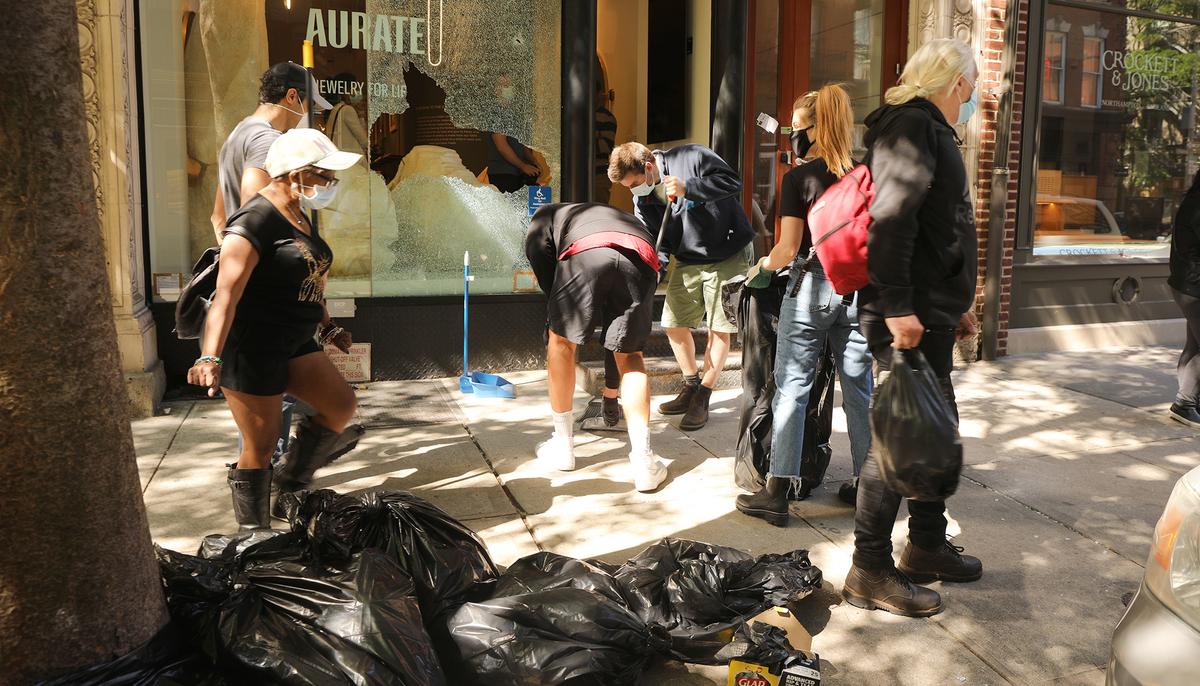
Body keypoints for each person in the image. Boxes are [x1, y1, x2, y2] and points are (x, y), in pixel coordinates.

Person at [842, 38, 983, 617]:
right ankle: (868, 567)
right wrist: (899, 305)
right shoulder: (912, 126)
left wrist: (956, 302)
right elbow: (892, 222)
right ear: (956, 83)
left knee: (932, 424)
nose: (974, 97)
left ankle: (924, 544)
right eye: (973, 87)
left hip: (930, 310)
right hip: (907, 313)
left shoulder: (926, 129)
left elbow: (936, 226)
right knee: (899, 435)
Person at [188, 128, 363, 530]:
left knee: (340, 404)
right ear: (294, 173)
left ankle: (289, 485)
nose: (330, 184)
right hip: (250, 345)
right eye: (324, 175)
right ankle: (253, 534)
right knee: (261, 446)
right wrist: (209, 356)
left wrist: (329, 326)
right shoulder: (255, 219)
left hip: (294, 338)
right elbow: (226, 295)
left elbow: (307, 279)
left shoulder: (299, 214)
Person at [735, 84, 873, 527]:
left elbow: (787, 248)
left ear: (813, 130)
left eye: (796, 128)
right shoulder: (865, 172)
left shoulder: (798, 180)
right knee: (860, 392)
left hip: (810, 289)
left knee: (792, 387)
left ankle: (777, 492)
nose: (791, 135)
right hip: (856, 291)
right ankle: (869, 489)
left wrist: (761, 262)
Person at [609, 141, 755, 430]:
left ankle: (703, 395)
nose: (634, 191)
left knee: (719, 327)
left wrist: (689, 187)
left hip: (728, 251)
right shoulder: (643, 198)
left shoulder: (692, 156)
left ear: (648, 167)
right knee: (673, 322)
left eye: (635, 183)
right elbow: (655, 239)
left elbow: (732, 181)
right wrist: (654, 269)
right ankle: (691, 384)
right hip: (689, 257)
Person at [525, 202, 669, 492]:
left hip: (584, 254)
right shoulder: (620, 216)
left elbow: (541, 257)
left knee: (560, 342)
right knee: (630, 356)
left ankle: (562, 446)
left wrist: (557, 315)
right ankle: (643, 464)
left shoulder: (545, 215)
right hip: (640, 256)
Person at [210, 61, 333, 242]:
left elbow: (218, 217)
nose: (307, 112)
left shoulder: (237, 134)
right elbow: (256, 219)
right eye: (309, 104)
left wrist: (230, 256)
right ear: (292, 96)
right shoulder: (267, 141)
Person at [1168, 171, 1200, 428]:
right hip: (1195, 285)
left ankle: (1189, 401)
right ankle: (1185, 403)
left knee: (1194, 345)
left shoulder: (1192, 200)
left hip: (1186, 285)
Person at [487, 75, 541, 193]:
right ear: (496, 89)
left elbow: (521, 143)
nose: (508, 89)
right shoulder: (497, 112)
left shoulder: (513, 112)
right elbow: (501, 145)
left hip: (518, 173)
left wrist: (532, 161)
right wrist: (523, 166)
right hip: (503, 173)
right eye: (504, 85)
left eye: (509, 85)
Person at [594, 79, 618, 204]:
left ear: (599, 94)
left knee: (599, 213)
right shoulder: (577, 115)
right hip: (578, 176)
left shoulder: (608, 118)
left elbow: (605, 147)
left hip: (599, 177)